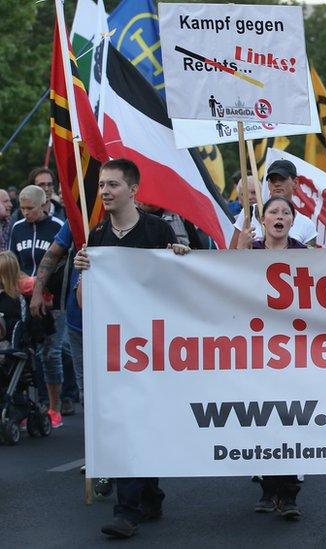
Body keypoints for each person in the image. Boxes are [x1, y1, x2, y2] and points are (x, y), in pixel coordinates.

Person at [72, 158, 189, 539]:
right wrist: (83, 273)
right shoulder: (98, 238)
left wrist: (181, 262)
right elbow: (85, 303)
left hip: (155, 349)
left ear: (133, 190)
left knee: (146, 424)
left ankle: (149, 496)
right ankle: (128, 510)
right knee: (125, 424)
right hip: (117, 353)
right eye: (102, 184)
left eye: (113, 185)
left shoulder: (157, 231)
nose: (104, 191)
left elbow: (182, 288)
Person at [235, 196, 306, 519]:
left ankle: (289, 493)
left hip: (294, 351)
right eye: (273, 212)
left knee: (290, 421)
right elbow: (227, 283)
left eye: (285, 212)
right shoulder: (250, 252)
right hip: (258, 349)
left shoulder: (304, 255)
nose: (279, 216)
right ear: (262, 221)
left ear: (293, 221)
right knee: (263, 420)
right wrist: (241, 252)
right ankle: (268, 488)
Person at [10, 184, 65, 428]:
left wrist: (43, 288)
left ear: (43, 205)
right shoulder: (18, 228)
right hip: (24, 297)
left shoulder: (57, 227)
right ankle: (28, 406)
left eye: (30, 208)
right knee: (26, 353)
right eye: (22, 208)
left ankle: (55, 406)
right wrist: (24, 283)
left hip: (51, 299)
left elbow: (61, 262)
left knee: (51, 353)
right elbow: (12, 261)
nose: (25, 213)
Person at [230, 160, 316, 248]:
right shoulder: (248, 213)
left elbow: (311, 260)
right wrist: (241, 246)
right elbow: (231, 256)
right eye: (272, 180)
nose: (277, 184)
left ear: (295, 182)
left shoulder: (307, 225)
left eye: (282, 179)